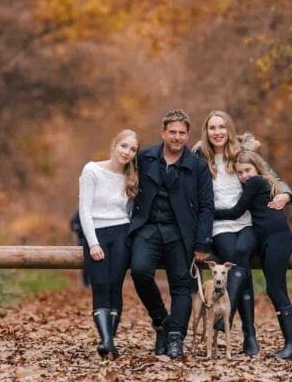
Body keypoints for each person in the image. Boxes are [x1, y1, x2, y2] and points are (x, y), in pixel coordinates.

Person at [193, 110, 292, 356]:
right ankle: (249, 335)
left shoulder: (240, 154)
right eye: (212, 128)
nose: (217, 132)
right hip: (220, 226)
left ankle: (247, 335)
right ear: (206, 132)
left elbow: (271, 175)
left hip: (247, 223)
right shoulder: (199, 156)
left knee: (241, 258)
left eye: (221, 127)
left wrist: (286, 194)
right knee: (239, 263)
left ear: (229, 129)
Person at [129, 109, 214, 359]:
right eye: (172, 132)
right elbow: (120, 170)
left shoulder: (198, 166)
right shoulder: (144, 158)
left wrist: (202, 242)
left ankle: (175, 337)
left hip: (181, 233)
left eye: (181, 133)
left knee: (181, 285)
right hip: (148, 228)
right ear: (163, 132)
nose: (177, 137)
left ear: (188, 135)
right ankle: (162, 322)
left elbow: (207, 206)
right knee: (140, 271)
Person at [213, 149, 292, 360]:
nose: (244, 176)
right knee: (242, 255)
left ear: (257, 167)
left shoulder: (256, 183)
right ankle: (233, 309)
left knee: (275, 288)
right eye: (240, 173)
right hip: (265, 239)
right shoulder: (264, 182)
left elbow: (236, 212)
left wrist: (209, 213)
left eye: (247, 170)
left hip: (278, 240)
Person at [78, 129, 139, 358]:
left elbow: (131, 212)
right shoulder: (92, 170)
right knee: (100, 285)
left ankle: (110, 341)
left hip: (122, 233)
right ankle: (105, 340)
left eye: (132, 149)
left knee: (115, 285)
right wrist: (93, 243)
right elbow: (84, 209)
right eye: (124, 146)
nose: (127, 152)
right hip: (97, 233)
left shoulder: (131, 177)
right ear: (115, 144)